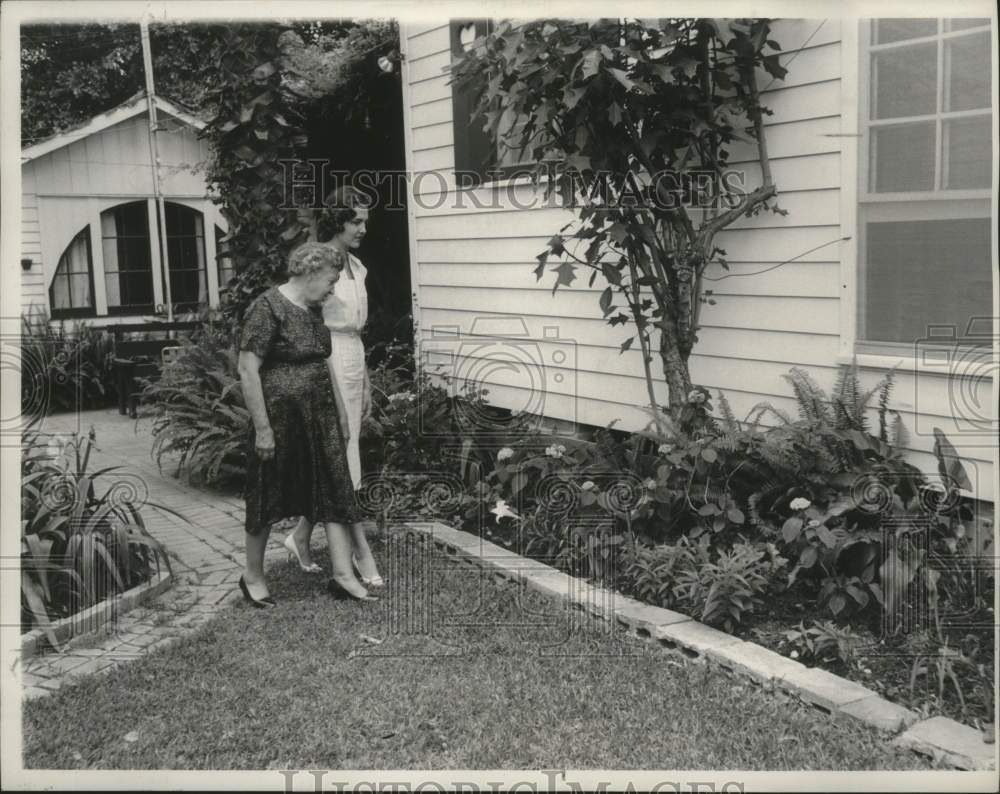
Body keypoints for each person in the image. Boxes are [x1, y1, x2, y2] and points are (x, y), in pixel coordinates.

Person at [237, 242, 377, 605]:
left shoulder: (316, 310)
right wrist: (263, 428)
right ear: (311, 272)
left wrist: (342, 415)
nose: (333, 289)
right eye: (331, 281)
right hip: (281, 419)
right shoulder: (267, 308)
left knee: (335, 487)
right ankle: (252, 576)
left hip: (320, 415)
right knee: (268, 493)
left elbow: (324, 361)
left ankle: (344, 576)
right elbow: (247, 369)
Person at [287, 186, 385, 588]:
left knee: (343, 453)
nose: (362, 228)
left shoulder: (357, 267)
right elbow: (308, 326)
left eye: (365, 221)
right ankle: (360, 552)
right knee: (338, 456)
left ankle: (299, 536)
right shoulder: (316, 262)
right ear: (336, 220)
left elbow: (356, 331)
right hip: (325, 359)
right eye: (355, 221)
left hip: (353, 356)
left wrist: (365, 380)